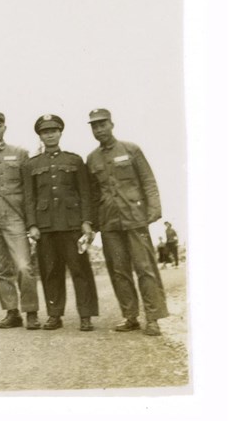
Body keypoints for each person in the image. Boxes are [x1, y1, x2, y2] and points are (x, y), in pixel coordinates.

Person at [86, 108, 168, 336]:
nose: (99, 129)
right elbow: (93, 194)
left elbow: (148, 180)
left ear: (111, 125)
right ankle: (130, 316)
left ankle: (153, 318)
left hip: (134, 217)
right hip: (109, 222)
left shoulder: (131, 149)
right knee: (119, 270)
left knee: (145, 268)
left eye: (102, 124)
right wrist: (92, 223)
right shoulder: (92, 158)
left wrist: (154, 209)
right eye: (95, 126)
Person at [23, 115, 98, 331]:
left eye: (53, 131)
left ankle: (86, 315)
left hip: (72, 225)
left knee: (80, 270)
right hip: (45, 227)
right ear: (40, 136)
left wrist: (86, 221)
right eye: (45, 132)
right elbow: (29, 198)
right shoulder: (31, 164)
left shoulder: (74, 160)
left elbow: (85, 193)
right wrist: (32, 225)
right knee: (50, 271)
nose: (50, 135)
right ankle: (54, 315)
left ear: (60, 133)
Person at [0, 112, 41, 330]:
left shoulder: (20, 153)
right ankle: (12, 312)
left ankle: (31, 311)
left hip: (15, 216)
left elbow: (29, 191)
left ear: (4, 128)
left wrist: (31, 221)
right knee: (1, 269)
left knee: (23, 266)